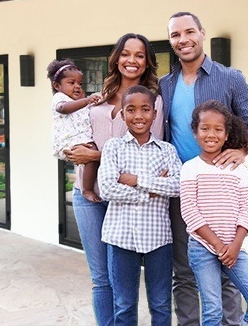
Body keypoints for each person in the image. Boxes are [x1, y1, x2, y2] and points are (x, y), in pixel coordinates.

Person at [159, 11, 248, 326]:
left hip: (222, 189)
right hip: (184, 190)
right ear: (171, 41)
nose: (183, 40)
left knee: (227, 270)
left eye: (189, 32)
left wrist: (243, 149)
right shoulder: (165, 84)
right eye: (176, 35)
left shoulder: (230, 77)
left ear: (202, 34)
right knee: (184, 271)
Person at [64, 33, 164, 326]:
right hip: (87, 196)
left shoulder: (151, 102)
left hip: (124, 200)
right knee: (100, 279)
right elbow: (78, 131)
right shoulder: (98, 96)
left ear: (147, 62)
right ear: (116, 57)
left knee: (124, 282)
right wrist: (72, 149)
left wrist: (94, 157)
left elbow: (146, 154)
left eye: (139, 55)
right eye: (126, 53)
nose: (131, 60)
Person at [180, 100, 248, 326]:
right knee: (213, 310)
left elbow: (247, 209)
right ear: (195, 132)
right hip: (203, 248)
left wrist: (235, 246)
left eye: (218, 129)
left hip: (234, 247)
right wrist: (220, 248)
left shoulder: (238, 169)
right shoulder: (191, 168)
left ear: (227, 134)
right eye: (205, 128)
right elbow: (190, 212)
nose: (212, 134)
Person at [98, 85, 181, 325]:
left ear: (155, 114)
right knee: (123, 305)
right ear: (122, 114)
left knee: (161, 304)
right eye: (131, 110)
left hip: (158, 239)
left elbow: (176, 187)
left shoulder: (167, 150)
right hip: (120, 237)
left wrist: (136, 181)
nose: (138, 116)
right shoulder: (113, 147)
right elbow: (107, 189)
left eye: (145, 109)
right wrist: (152, 191)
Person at [48, 59, 102, 202]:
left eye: (80, 83)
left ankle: (87, 187)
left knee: (91, 154)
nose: (77, 87)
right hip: (69, 139)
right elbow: (63, 109)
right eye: (71, 83)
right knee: (92, 154)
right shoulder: (60, 98)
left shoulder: (79, 100)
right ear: (57, 85)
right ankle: (87, 190)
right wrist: (86, 100)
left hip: (80, 138)